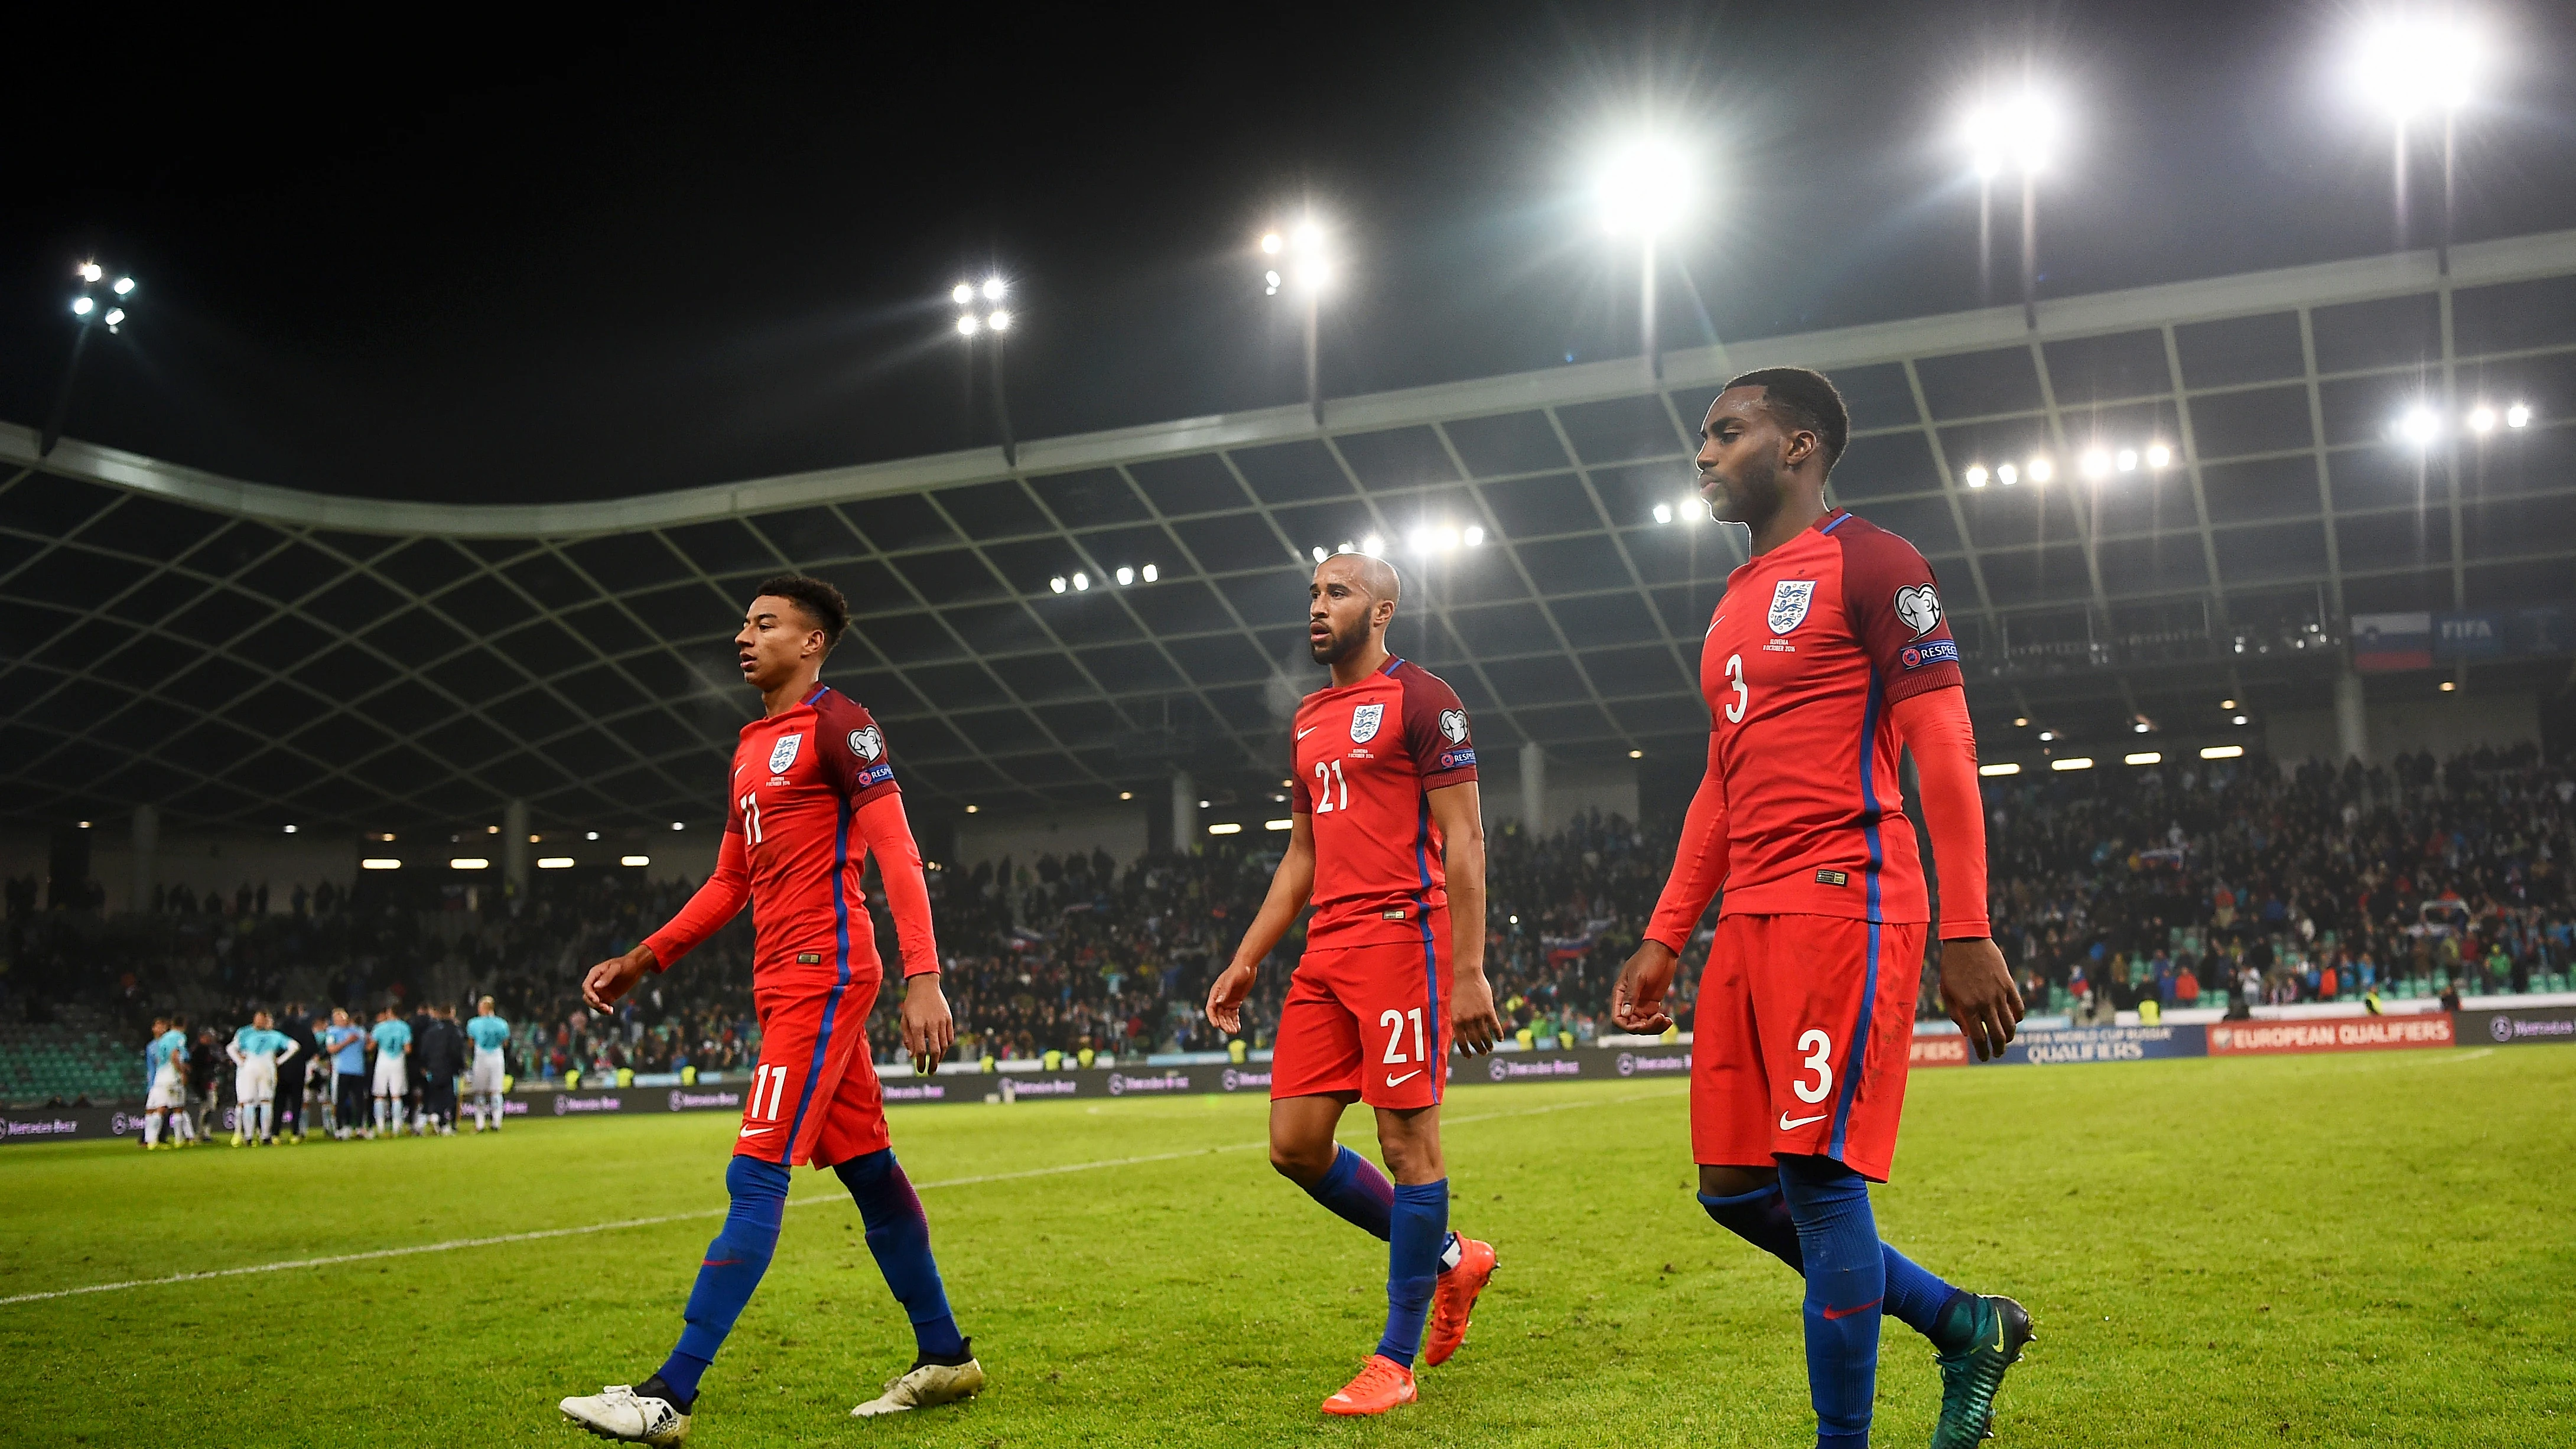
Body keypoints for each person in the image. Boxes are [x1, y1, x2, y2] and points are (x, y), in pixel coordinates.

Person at [1611, 368, 2032, 1449]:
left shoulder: (1879, 564)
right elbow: (1721, 781)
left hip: (1845, 900)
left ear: (1799, 446)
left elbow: (1943, 743)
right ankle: (1964, 1322)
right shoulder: (1731, 604)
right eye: (1703, 436)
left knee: (1817, 1179)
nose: (1703, 452)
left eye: (1726, 431)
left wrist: (1967, 923)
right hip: (1749, 917)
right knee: (1731, 1187)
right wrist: (1667, 934)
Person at [561, 574, 979, 1444]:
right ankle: (945, 1355)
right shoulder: (752, 746)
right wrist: (646, 958)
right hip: (785, 977)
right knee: (868, 1169)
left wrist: (924, 975)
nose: (744, 638)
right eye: (744, 625)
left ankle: (669, 1393)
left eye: (765, 624)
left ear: (813, 641)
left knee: (755, 1171)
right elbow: (729, 882)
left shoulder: (842, 724)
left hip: (825, 972)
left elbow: (897, 850)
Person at [1205, 551, 1504, 1418]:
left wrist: (1470, 968)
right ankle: (1454, 1257)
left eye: (1337, 592)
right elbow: (1301, 855)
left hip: (1403, 941)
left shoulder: (1425, 701)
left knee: (1410, 1146)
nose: (1317, 605)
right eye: (1312, 592)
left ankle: (1395, 1358)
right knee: (1295, 1145)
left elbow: (1466, 841)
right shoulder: (1307, 717)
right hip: (1328, 950)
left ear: (1382, 611)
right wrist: (1250, 953)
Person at [226, 1010, 301, 1146]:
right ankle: (264, 1136)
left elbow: (231, 1048)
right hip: (266, 1068)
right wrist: (279, 1061)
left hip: (251, 1068)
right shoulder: (273, 1035)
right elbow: (294, 1047)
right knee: (264, 1102)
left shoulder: (248, 1034)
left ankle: (250, 1137)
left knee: (251, 1102)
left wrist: (240, 1061)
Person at [142, 1015, 192, 1149]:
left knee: (159, 1108)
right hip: (171, 1077)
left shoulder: (163, 1039)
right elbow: (174, 1055)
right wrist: (182, 1071)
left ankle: (151, 1141)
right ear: (184, 1025)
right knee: (175, 1108)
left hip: (160, 1077)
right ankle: (178, 1140)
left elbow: (159, 1060)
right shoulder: (178, 1037)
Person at [415, 1004, 464, 1136]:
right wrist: (461, 1067)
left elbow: (424, 1050)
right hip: (450, 1070)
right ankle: (447, 1125)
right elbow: (457, 1051)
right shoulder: (454, 1030)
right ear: (452, 1012)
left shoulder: (431, 1030)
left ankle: (427, 1121)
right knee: (450, 1098)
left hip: (433, 1069)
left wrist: (424, 1066)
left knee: (433, 1096)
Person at [466, 996, 512, 1132]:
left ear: (483, 1008)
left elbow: (471, 1042)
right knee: (496, 1090)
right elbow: (505, 1043)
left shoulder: (473, 1023)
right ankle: (496, 1123)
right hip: (497, 1056)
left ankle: (480, 1124)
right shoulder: (502, 1023)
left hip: (481, 1056)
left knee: (479, 1091)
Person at [322, 1008, 369, 1139]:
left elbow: (368, 1046)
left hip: (358, 1071)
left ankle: (360, 1128)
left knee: (359, 1101)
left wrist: (370, 1040)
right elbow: (331, 1049)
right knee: (340, 1101)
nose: (342, 1020)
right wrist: (347, 1042)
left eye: (343, 1017)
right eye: (338, 1018)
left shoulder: (358, 1031)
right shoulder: (333, 1032)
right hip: (342, 1071)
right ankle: (340, 1128)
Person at [275, 1004, 318, 1142]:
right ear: (299, 1012)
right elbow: (313, 1049)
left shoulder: (279, 1028)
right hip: (298, 1069)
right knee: (296, 1103)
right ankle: (295, 1132)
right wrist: (301, 1059)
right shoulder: (304, 1029)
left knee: (279, 1103)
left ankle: (275, 1133)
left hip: (280, 1069)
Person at [369, 1005, 412, 1139]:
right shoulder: (404, 1027)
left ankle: (381, 1127)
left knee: (379, 1095)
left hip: (382, 1061)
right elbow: (408, 1049)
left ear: (389, 1013)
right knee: (396, 1095)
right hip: (398, 1062)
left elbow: (371, 1046)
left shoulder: (380, 1027)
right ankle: (396, 1126)